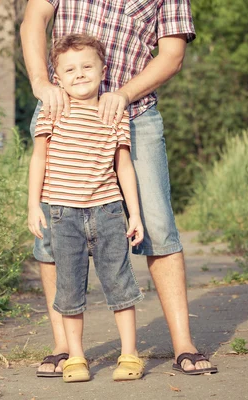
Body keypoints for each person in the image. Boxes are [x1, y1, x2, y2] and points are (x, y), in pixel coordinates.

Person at [20, 0, 219, 376]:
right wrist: (41, 82)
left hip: (133, 112)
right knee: (53, 230)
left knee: (157, 224)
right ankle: (64, 347)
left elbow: (172, 55)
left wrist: (123, 94)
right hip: (61, 108)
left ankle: (183, 345)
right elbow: (35, 18)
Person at [28, 33, 145, 383]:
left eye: (87, 66)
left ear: (103, 70)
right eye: (69, 69)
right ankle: (76, 357)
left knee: (120, 283)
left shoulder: (114, 112)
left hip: (108, 211)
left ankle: (130, 354)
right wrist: (34, 205)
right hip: (63, 214)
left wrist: (134, 212)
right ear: (57, 78)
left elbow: (124, 165)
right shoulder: (53, 109)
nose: (79, 74)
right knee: (68, 289)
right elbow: (39, 158)